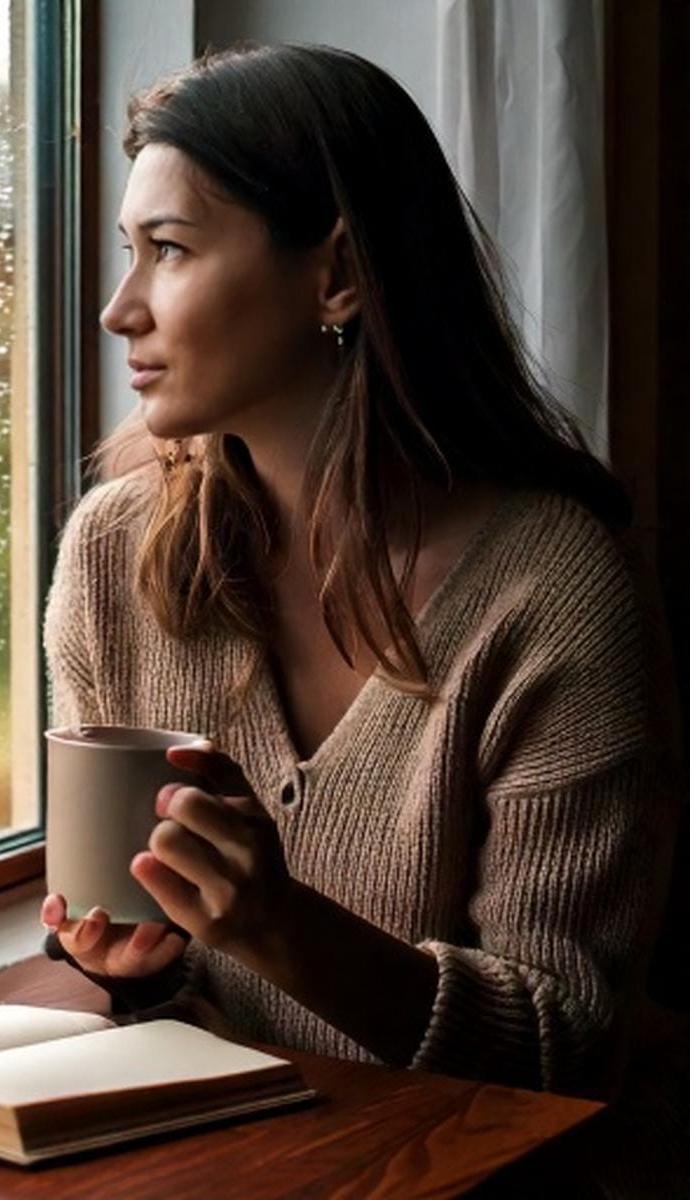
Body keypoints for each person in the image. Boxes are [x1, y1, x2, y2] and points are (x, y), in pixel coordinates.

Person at [37, 42, 688, 1197]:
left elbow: (568, 1051)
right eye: (127, 252)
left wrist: (287, 930)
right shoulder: (113, 560)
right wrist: (125, 971)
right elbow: (150, 970)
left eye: (170, 251)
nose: (115, 306)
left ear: (336, 275)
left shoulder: (553, 594)